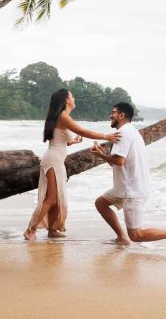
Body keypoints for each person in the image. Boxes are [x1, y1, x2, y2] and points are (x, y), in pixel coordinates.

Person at [24, 89, 121, 242]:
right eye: (72, 96)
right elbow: (82, 130)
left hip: (54, 159)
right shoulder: (63, 116)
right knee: (51, 199)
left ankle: (52, 230)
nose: (74, 98)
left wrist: (73, 141)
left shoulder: (61, 117)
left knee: (58, 198)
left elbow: (60, 140)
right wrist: (106, 136)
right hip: (54, 160)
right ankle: (31, 230)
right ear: (66, 100)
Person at [91, 102, 166, 250]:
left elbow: (119, 161)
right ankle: (121, 237)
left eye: (114, 112)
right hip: (125, 187)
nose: (111, 115)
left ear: (122, 116)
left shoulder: (122, 133)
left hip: (131, 191)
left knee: (136, 235)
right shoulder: (130, 131)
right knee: (101, 203)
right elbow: (118, 162)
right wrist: (103, 155)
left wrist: (101, 156)